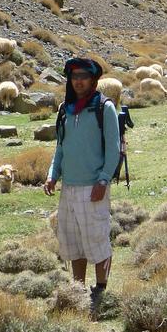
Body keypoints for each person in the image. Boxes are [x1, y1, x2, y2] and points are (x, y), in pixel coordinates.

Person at [44, 57, 120, 317]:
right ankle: (78, 289)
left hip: (94, 187)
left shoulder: (104, 108)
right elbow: (60, 148)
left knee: (97, 238)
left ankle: (101, 290)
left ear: (93, 80)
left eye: (83, 77)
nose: (78, 81)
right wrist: (53, 175)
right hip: (70, 187)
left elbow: (113, 150)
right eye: (74, 76)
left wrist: (103, 180)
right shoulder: (66, 109)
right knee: (73, 240)